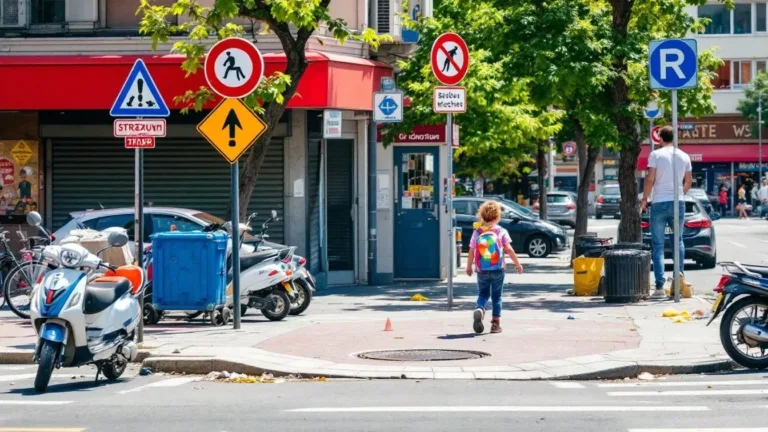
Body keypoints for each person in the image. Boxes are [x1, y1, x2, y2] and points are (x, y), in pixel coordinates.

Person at [641, 125, 693, 296]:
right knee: (678, 242)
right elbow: (688, 181)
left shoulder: (655, 155)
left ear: (660, 139)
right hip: (678, 203)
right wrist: (680, 194)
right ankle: (679, 280)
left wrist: (644, 199)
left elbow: (650, 178)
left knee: (658, 245)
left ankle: (659, 286)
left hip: (659, 203)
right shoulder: (684, 156)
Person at [466, 201, 523, 334]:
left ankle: (480, 308)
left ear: (482, 216)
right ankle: (495, 324)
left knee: (483, 293)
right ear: (498, 217)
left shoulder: (477, 232)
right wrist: (517, 264)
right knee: (497, 297)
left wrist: (469, 266)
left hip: (482, 270)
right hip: (498, 269)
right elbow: (508, 249)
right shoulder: (501, 231)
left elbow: (471, 251)